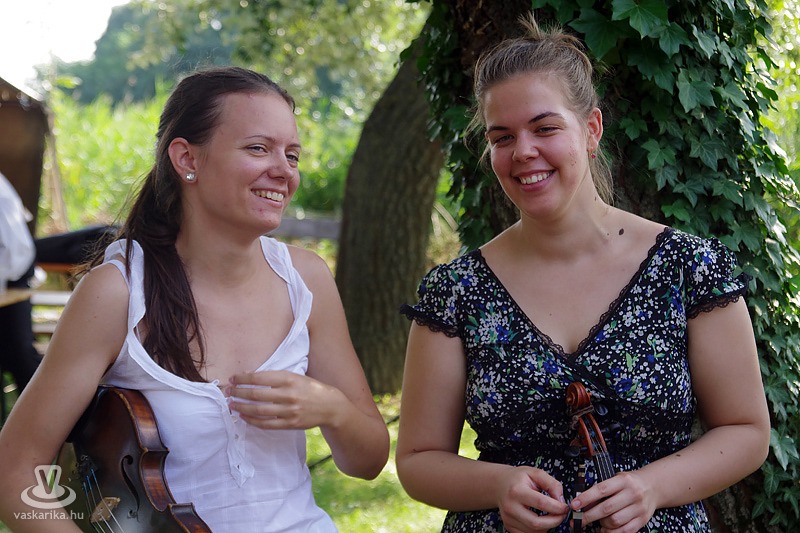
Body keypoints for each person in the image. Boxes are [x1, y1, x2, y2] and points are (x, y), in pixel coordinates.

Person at [396, 16, 770, 533]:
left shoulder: (689, 267)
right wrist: (497, 485)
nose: (523, 151)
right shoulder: (454, 292)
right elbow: (417, 460)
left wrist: (653, 487)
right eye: (502, 137)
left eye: (545, 128)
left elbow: (746, 430)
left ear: (591, 129)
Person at [0, 66, 389, 532]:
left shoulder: (307, 280)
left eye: (292, 155)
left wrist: (332, 409)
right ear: (187, 158)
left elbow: (368, 462)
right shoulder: (118, 292)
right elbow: (14, 471)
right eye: (258, 148)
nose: (284, 170)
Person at [0, 171, 41, 392]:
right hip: (10, 271)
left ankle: (42, 405)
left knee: (20, 353)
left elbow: (17, 253)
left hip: (14, 273)